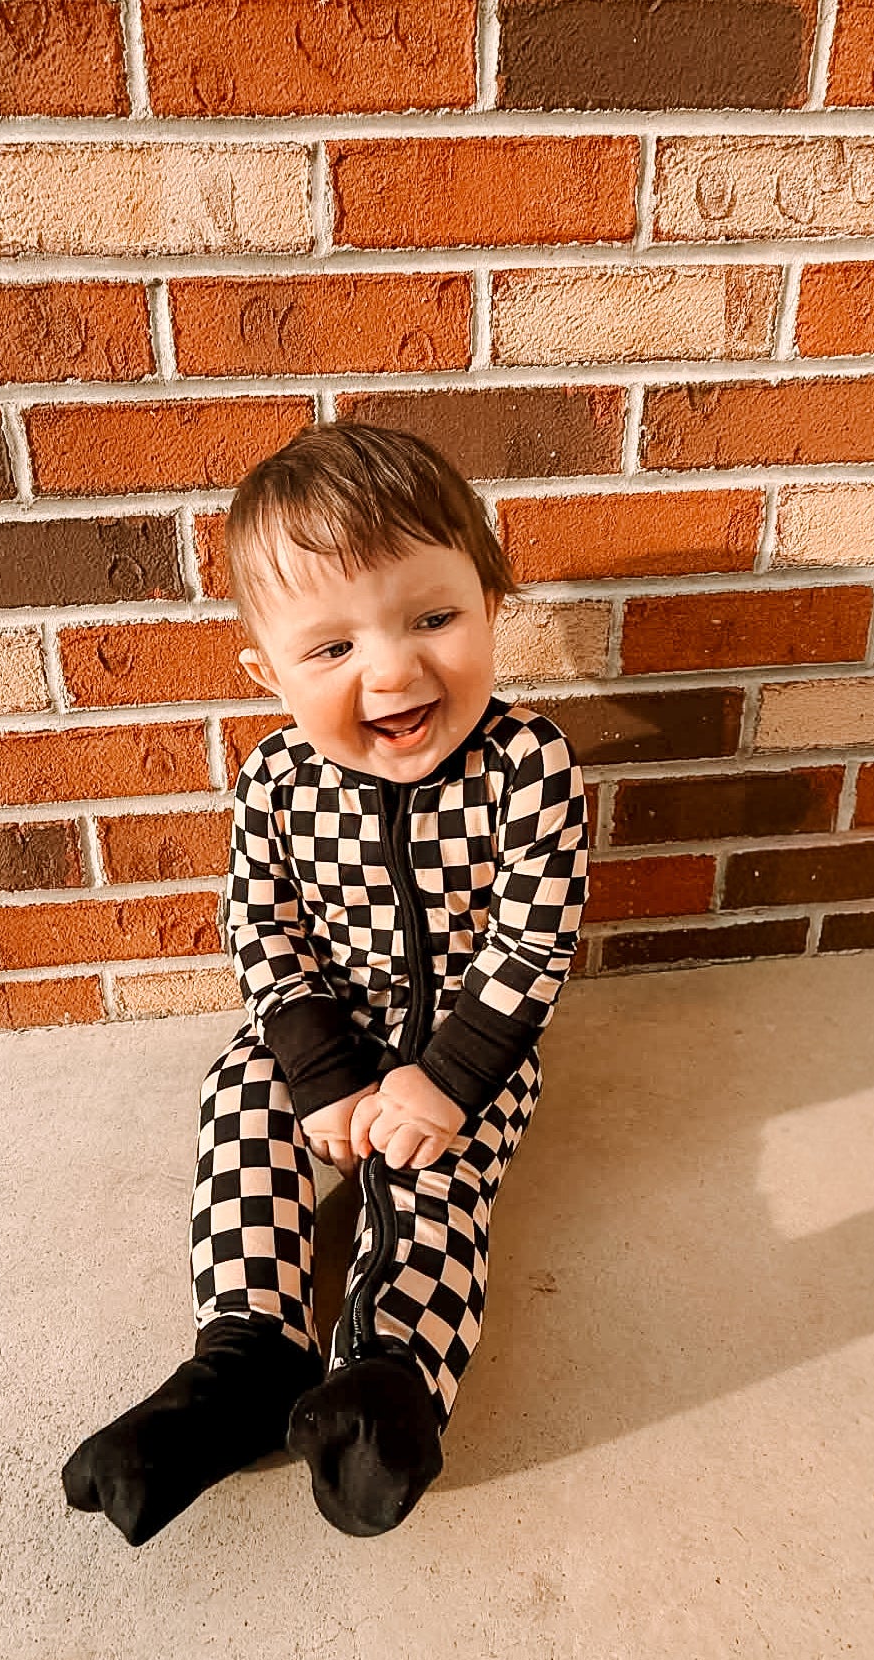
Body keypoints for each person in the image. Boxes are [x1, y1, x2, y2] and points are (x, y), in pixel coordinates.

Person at [62, 422, 589, 1544]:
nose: (392, 669)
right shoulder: (274, 779)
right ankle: (245, 1355)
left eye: (431, 618)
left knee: (433, 1193)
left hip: (469, 1049)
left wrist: (442, 1081)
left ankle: (390, 1383)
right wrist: (319, 1068)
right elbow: (260, 920)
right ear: (267, 671)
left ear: (492, 604)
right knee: (238, 1106)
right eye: (331, 647)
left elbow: (531, 942)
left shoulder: (527, 766)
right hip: (318, 1036)